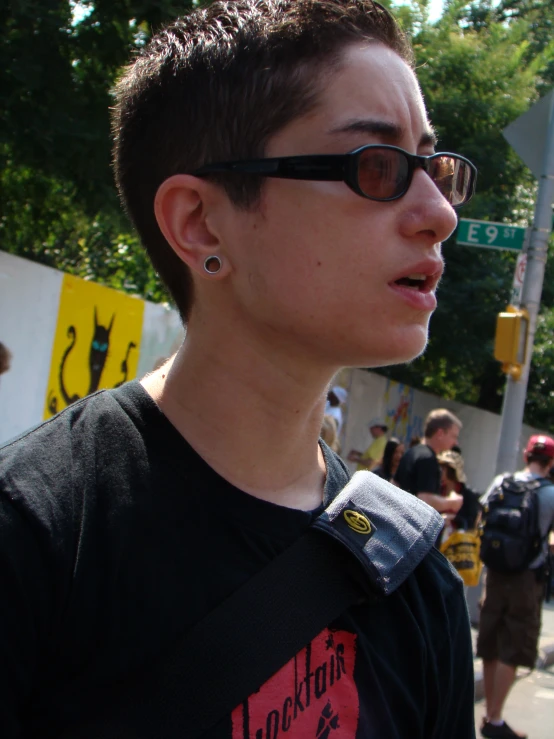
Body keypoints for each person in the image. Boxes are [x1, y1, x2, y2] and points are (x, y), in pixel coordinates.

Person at [0, 2, 478, 737]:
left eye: (435, 166)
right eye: (377, 167)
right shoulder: (37, 538)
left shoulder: (413, 580)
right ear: (201, 223)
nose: (439, 211)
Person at [476, 434, 554, 739]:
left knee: (491, 639)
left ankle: (488, 716)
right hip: (526, 578)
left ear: (526, 456)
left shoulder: (502, 482)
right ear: (550, 462)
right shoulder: (549, 493)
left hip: (494, 573)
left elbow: (484, 514)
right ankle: (495, 718)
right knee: (514, 643)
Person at [394, 408, 464, 516]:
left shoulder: (411, 452)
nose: (456, 442)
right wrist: (451, 502)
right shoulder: (428, 459)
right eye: (453, 436)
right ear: (440, 433)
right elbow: (425, 500)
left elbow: (393, 484)